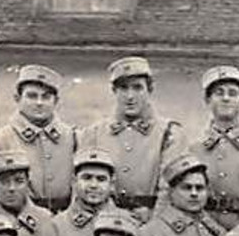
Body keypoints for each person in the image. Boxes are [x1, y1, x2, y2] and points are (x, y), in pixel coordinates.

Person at [77, 56, 183, 222]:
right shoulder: (94, 133)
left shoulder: (168, 133)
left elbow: (170, 187)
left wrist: (154, 219)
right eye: (123, 88)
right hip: (102, 222)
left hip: (151, 222)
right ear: (114, 91)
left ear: (150, 90)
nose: (130, 96)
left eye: (137, 88)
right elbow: (81, 184)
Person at [0, 63, 76, 212]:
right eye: (32, 96)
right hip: (16, 227)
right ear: (17, 98)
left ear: (56, 101)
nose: (39, 103)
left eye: (46, 97)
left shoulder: (74, 138)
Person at [190, 65, 239, 231]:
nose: (226, 98)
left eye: (232, 93)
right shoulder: (193, 149)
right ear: (207, 100)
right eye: (219, 93)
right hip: (202, 229)